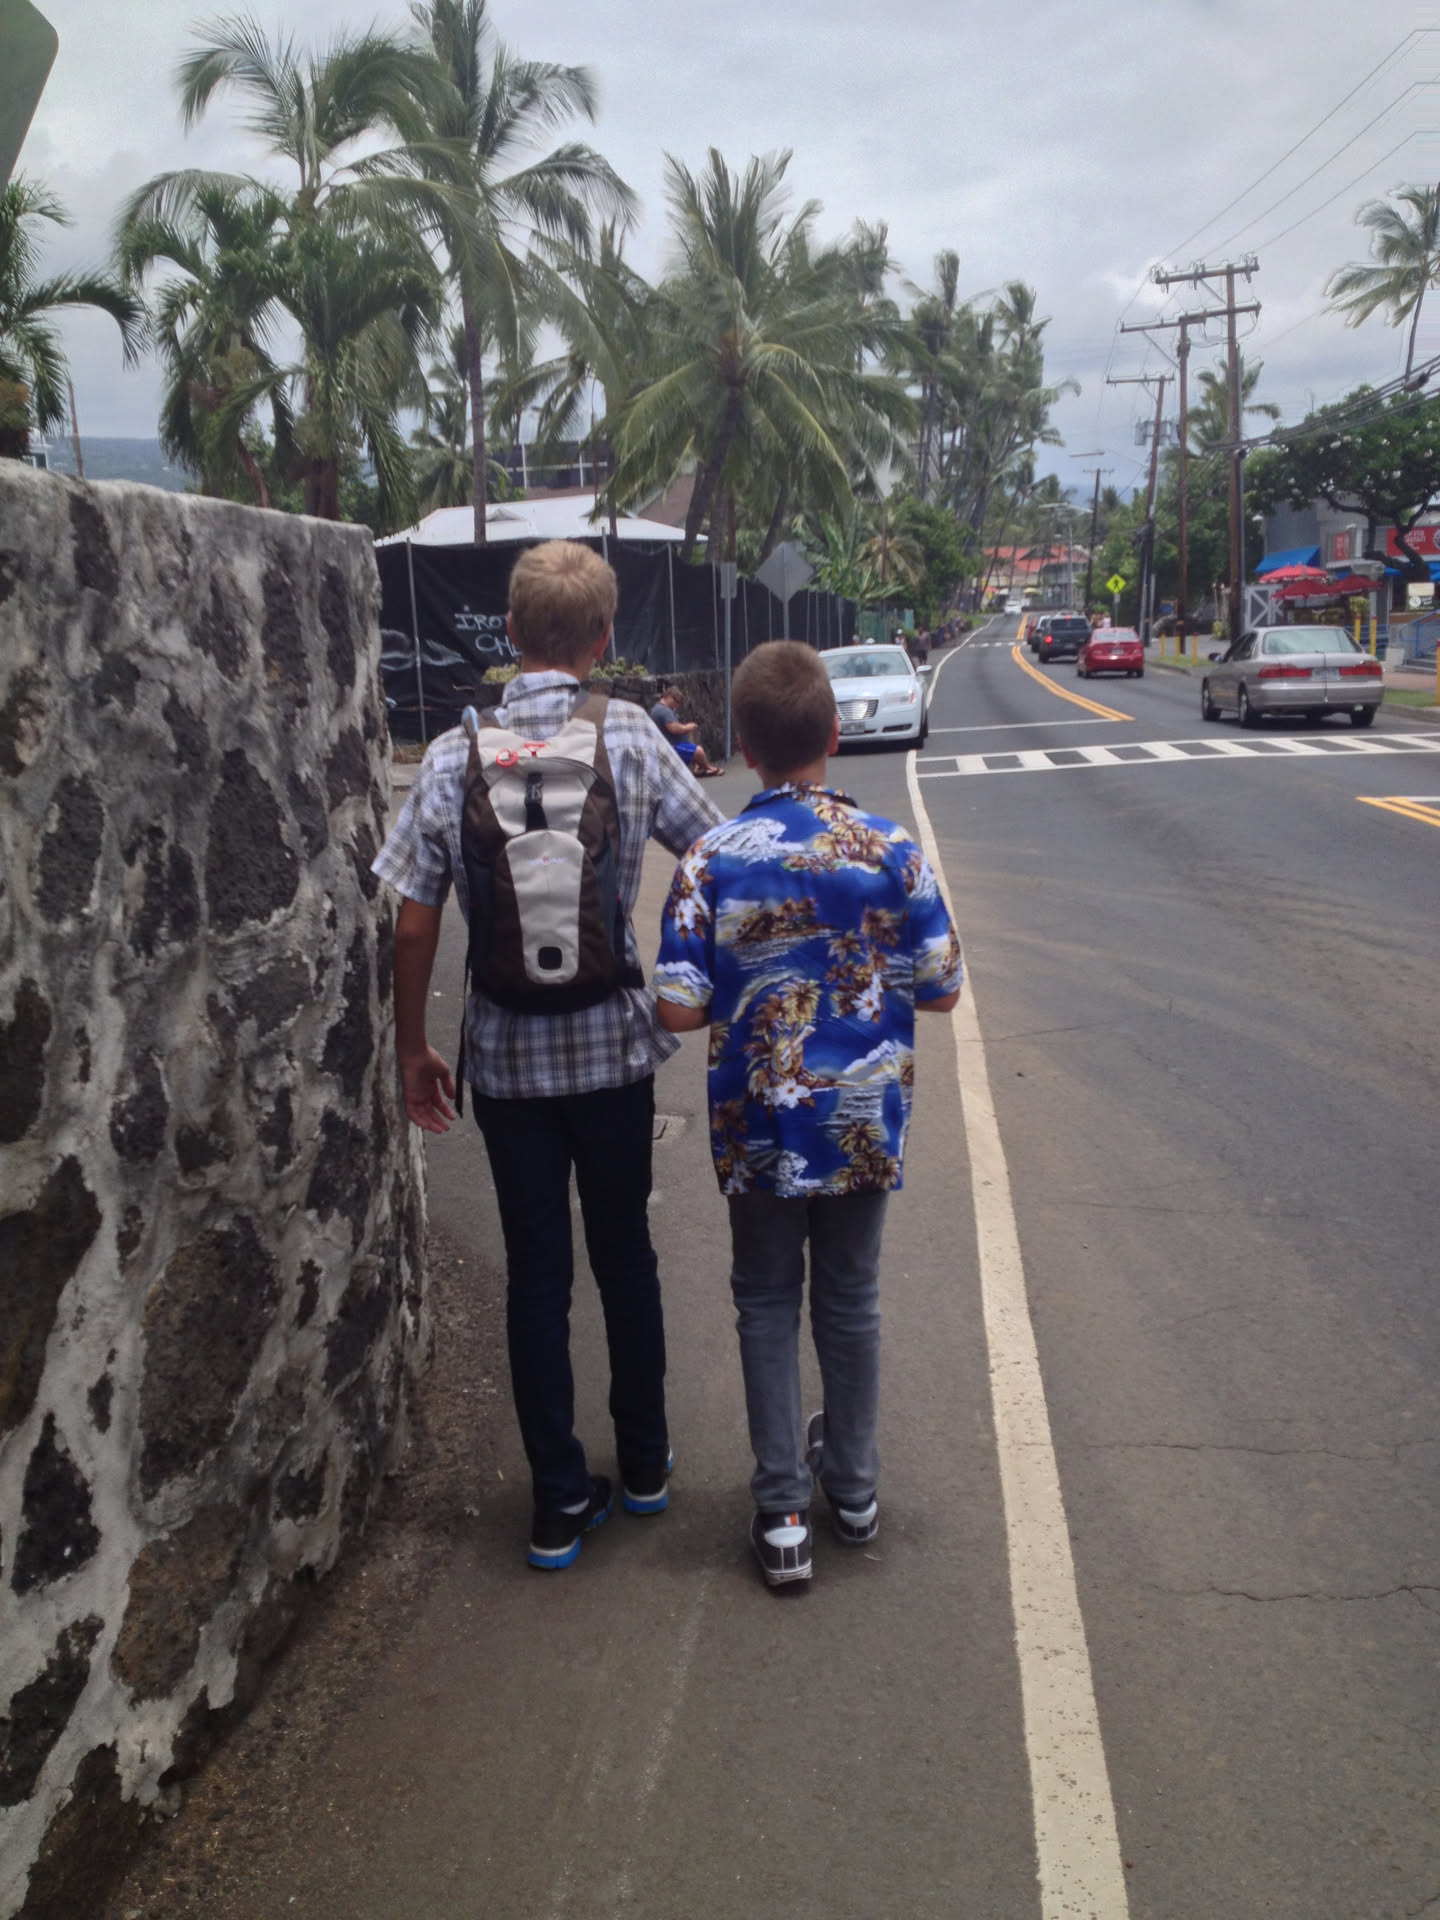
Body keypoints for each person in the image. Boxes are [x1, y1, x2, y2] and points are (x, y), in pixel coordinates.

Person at [373, 541, 726, 1571]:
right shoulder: (633, 735)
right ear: (602, 639)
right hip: (613, 1050)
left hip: (508, 1064)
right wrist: (699, 992)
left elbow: (411, 921)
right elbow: (714, 858)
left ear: (511, 635)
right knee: (625, 1255)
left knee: (538, 1271)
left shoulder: (454, 755)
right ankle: (647, 1466)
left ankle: (558, 1505)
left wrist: (413, 1049)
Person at [651, 640, 962, 1589]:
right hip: (862, 1118)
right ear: (833, 733)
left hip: (759, 1128)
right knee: (850, 1296)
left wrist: (754, 981)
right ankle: (855, 1494)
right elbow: (943, 988)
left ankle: (783, 1512)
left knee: (765, 1298)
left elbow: (676, 1009)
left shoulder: (710, 860)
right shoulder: (892, 851)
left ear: (744, 746)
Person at [651, 685, 722, 776]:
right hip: (672, 747)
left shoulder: (662, 709)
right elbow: (673, 729)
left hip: (674, 744)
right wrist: (687, 728)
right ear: (669, 697)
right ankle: (708, 768)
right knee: (698, 751)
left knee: (692, 747)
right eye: (676, 701)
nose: (676, 705)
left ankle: (698, 767)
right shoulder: (663, 711)